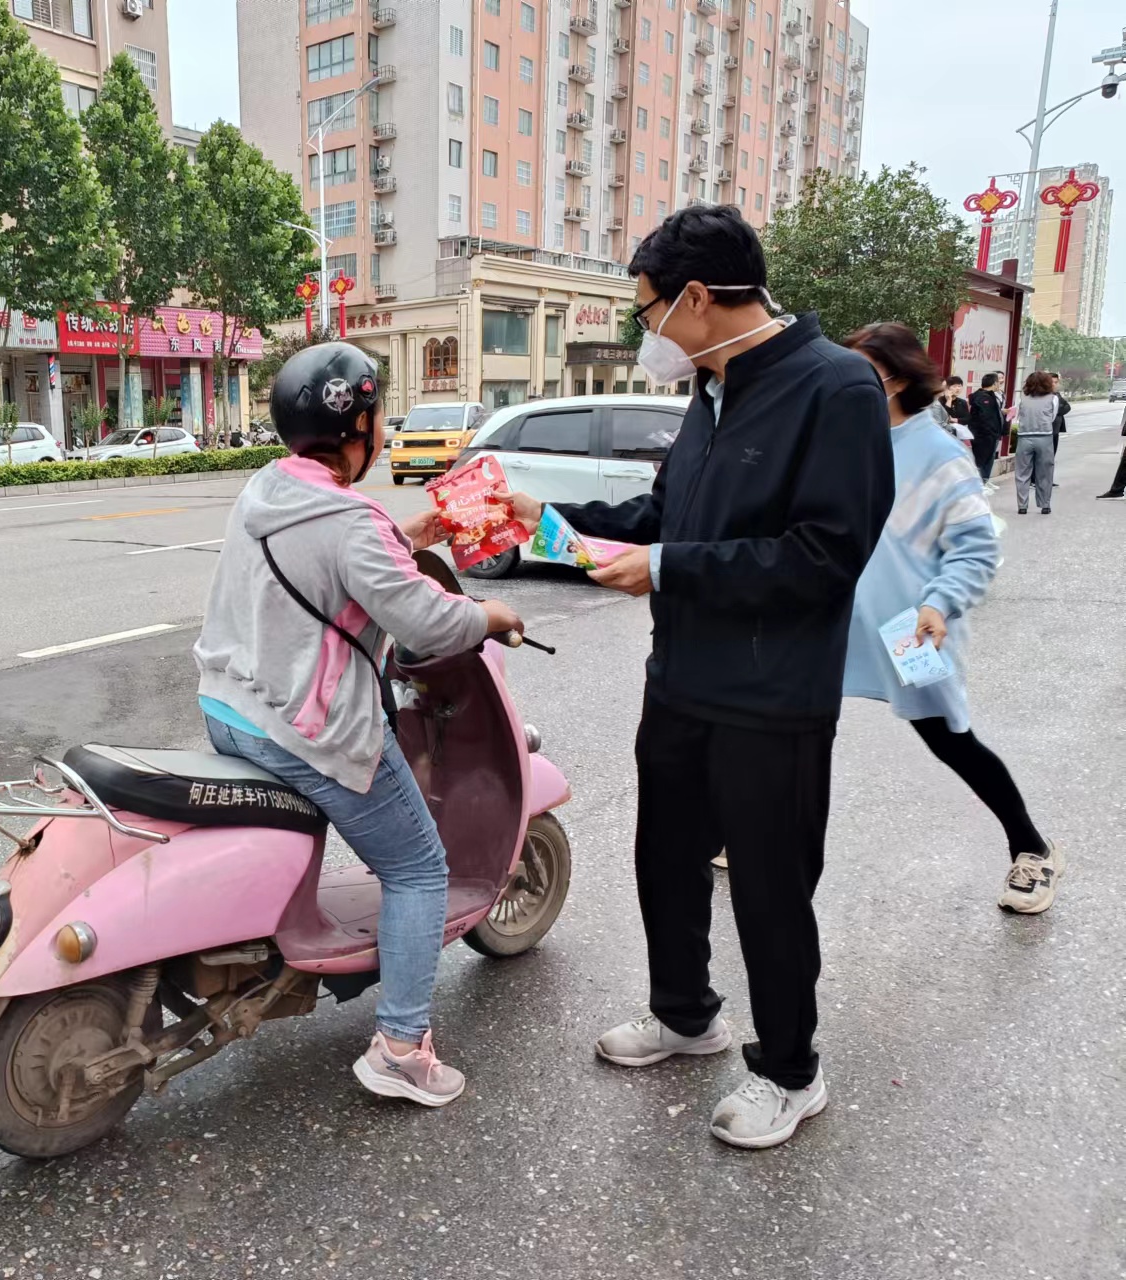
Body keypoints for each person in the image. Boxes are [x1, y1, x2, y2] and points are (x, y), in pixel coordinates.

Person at [500, 205, 893, 1150]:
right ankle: (685, 1014)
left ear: (699, 298)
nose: (647, 334)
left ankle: (793, 1071)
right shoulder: (711, 392)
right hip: (679, 681)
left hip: (772, 698)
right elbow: (663, 512)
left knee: (768, 886)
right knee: (665, 864)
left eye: (648, 312)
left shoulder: (834, 387)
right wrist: (542, 518)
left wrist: (672, 569)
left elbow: (825, 556)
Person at [192, 341, 522, 1108]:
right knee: (417, 868)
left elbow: (331, 555)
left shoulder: (266, 488)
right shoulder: (350, 518)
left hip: (228, 711)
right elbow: (424, 622)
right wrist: (494, 613)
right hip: (304, 728)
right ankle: (402, 1049)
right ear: (361, 426)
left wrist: (408, 536)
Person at [840, 324, 1061, 913]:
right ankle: (741, 832)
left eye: (864, 372)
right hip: (833, 623)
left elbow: (976, 544)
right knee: (793, 726)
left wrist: (938, 602)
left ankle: (1032, 850)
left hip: (907, 629)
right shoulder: (843, 442)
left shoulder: (937, 452)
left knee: (949, 740)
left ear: (900, 379)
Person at [1014, 370, 1058, 514]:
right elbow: (1052, 417)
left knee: (1022, 473)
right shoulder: (1053, 398)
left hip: (1024, 437)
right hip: (1044, 437)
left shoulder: (1022, 398)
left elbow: (1018, 416)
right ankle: (1045, 504)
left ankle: (1022, 506)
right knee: (1045, 472)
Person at [968, 373, 1006, 487]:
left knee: (988, 459)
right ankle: (979, 484)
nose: (999, 385)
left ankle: (984, 481)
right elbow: (985, 418)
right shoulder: (983, 397)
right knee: (981, 460)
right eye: (998, 382)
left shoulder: (989, 395)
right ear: (994, 383)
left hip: (991, 434)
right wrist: (992, 432)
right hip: (984, 435)